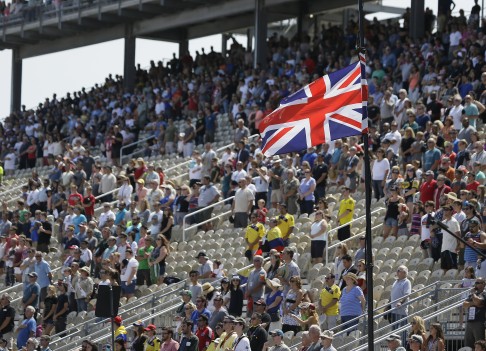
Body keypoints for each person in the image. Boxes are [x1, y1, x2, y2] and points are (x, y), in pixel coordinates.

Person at [390, 265, 412, 345]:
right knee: (394, 331)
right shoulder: (395, 282)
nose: (397, 272)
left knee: (403, 331)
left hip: (401, 310)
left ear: (404, 272)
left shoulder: (406, 282)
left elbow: (407, 294)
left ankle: (404, 347)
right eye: (397, 270)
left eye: (399, 270)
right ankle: (395, 347)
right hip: (394, 310)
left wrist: (400, 302)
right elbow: (392, 294)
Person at [464, 277, 486, 347]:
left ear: (483, 284)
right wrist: (473, 303)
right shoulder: (472, 295)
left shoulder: (484, 294)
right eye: (475, 283)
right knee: (468, 344)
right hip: (470, 321)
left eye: (477, 283)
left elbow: (479, 302)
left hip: (479, 321)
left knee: (479, 344)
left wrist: (473, 295)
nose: (475, 285)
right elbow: (464, 304)